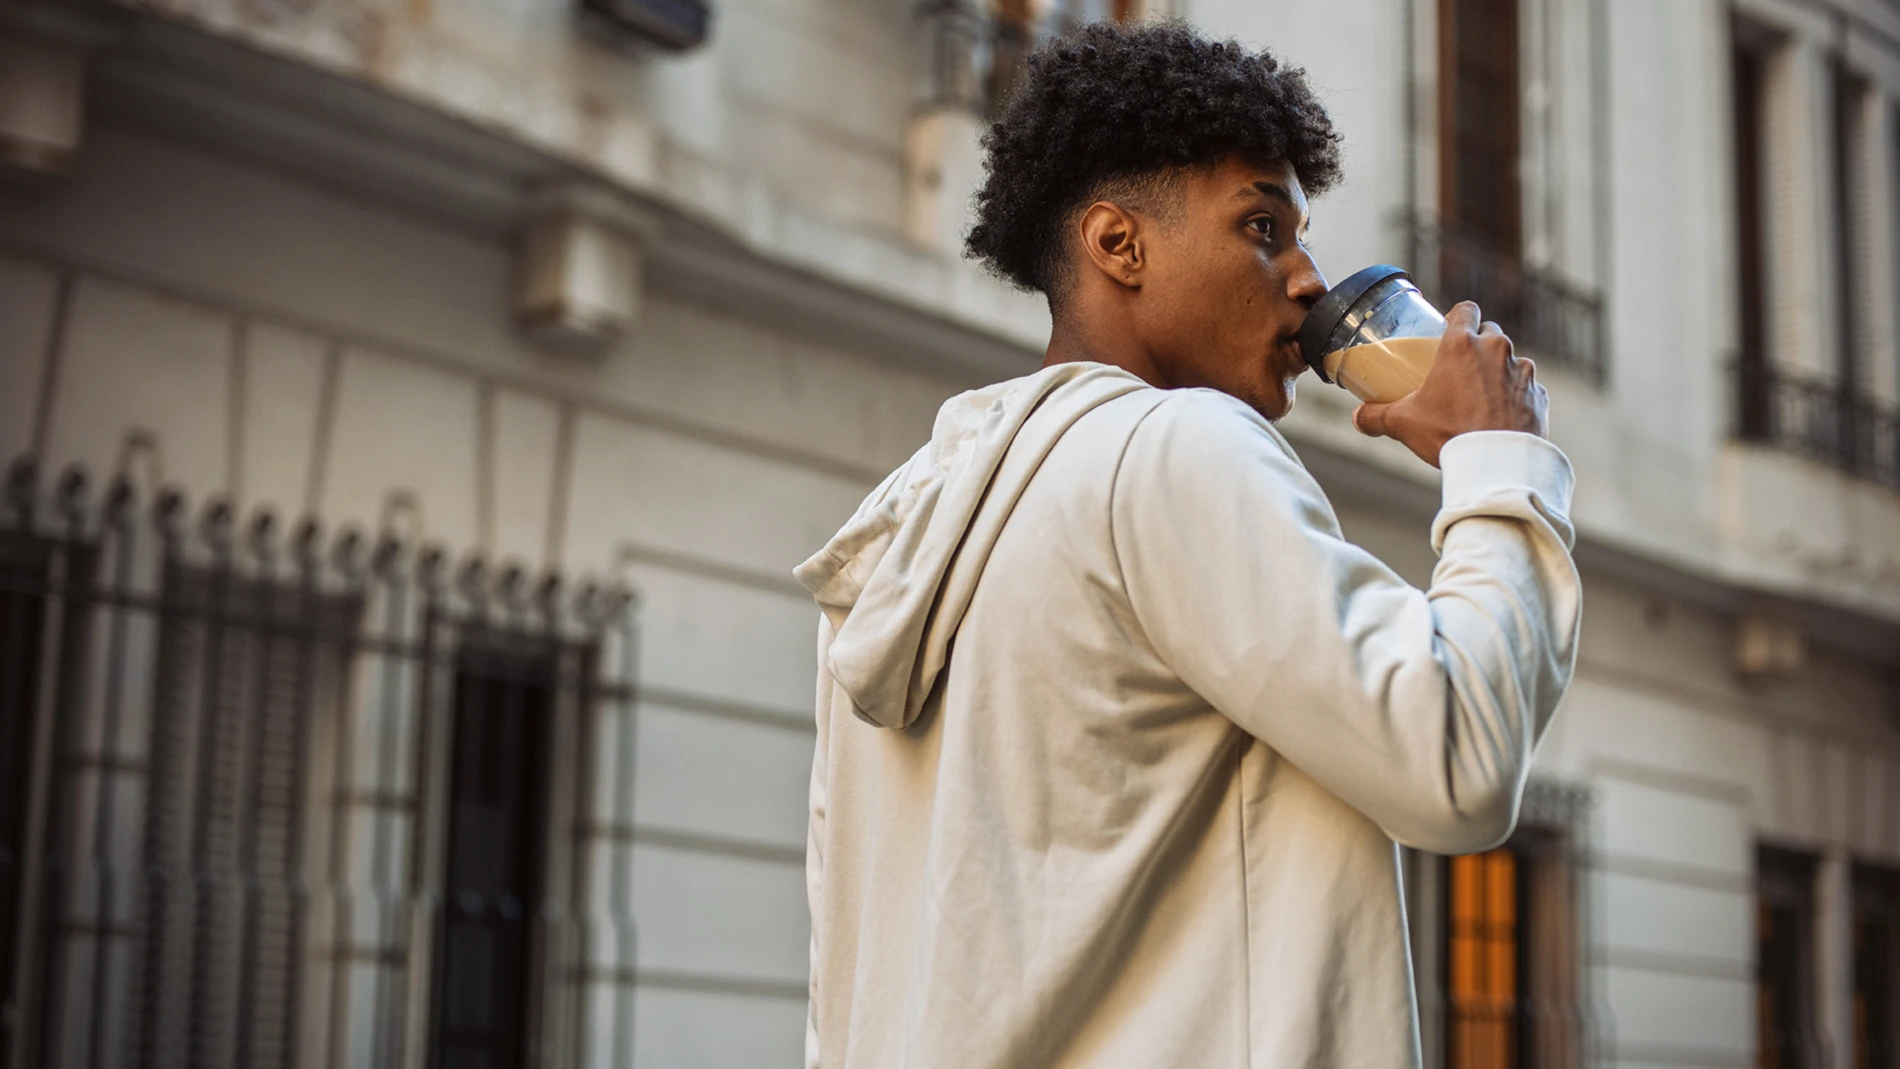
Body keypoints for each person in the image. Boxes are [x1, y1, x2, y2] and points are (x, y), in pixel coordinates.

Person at [794, 20, 1579, 1069]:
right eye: (1262, 228)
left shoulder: (903, 524)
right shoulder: (1177, 448)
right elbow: (1456, 758)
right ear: (1118, 245)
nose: (1307, 280)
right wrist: (1495, 463)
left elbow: (841, 967)